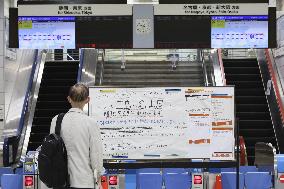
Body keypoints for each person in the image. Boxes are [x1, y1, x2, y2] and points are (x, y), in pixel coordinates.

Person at [50, 83, 104, 189]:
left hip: (60, 181)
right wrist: (98, 179)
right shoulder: (91, 123)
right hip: (84, 181)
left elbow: (51, 150)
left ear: (69, 99)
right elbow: (96, 155)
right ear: (87, 100)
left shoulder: (56, 120)